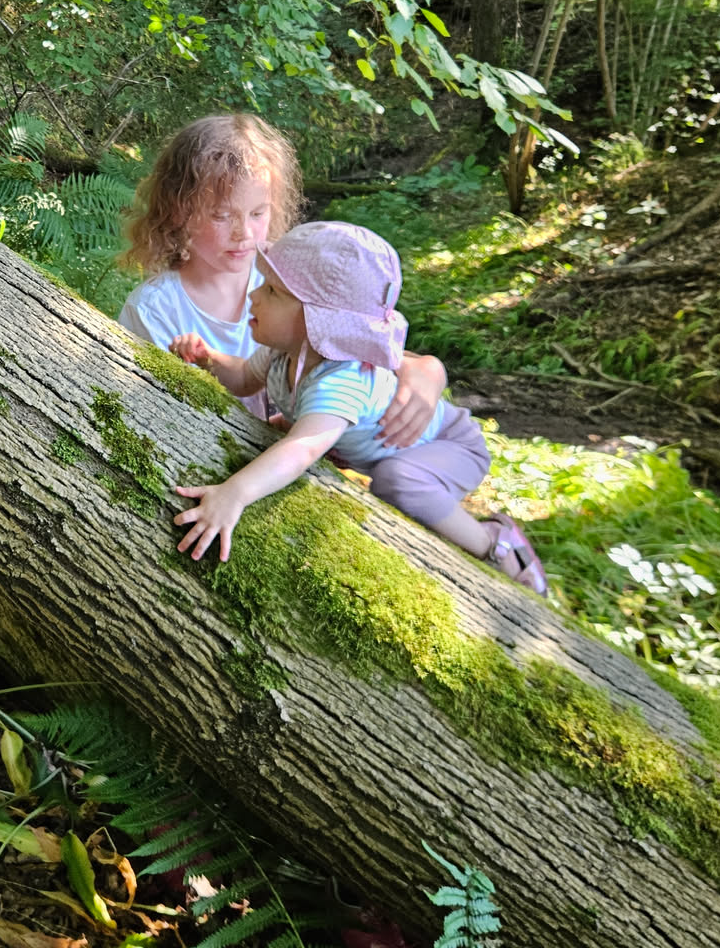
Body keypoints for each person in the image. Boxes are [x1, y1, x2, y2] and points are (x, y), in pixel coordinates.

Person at [166, 220, 547, 595]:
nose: (254, 296)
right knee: (391, 478)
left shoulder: (340, 377)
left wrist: (235, 494)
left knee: (398, 482)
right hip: (406, 451)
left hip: (452, 444)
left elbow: (302, 449)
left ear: (319, 319)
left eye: (272, 291)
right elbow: (243, 378)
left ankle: (495, 546)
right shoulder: (284, 354)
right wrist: (208, 358)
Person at [115, 112, 446, 438]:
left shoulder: (292, 283)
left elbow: (353, 348)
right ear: (178, 211)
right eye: (222, 215)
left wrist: (426, 369)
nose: (244, 233)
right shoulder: (154, 311)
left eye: (258, 213)